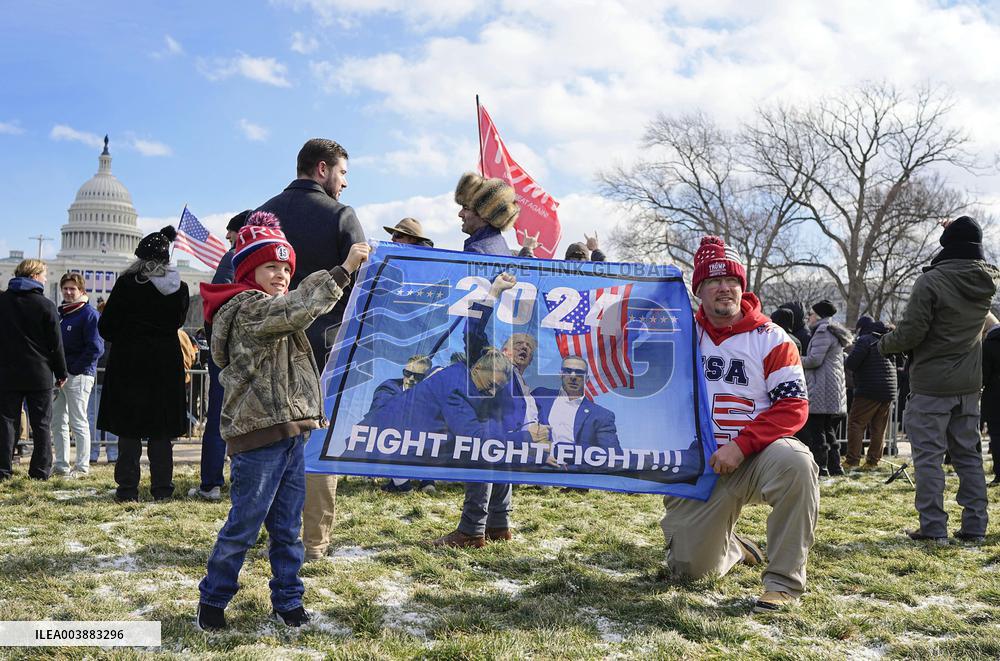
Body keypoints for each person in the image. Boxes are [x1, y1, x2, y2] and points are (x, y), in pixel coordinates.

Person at [196, 211, 371, 630]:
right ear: (248, 271)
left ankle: (288, 599)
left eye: (286, 267)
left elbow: (293, 311)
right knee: (244, 524)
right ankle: (213, 601)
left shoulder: (273, 309)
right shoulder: (246, 311)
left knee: (288, 527)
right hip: (258, 438)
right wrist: (343, 271)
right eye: (270, 266)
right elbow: (298, 307)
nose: (280, 274)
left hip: (292, 433)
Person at [660, 235, 816, 614]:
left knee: (798, 462)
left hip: (756, 457)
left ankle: (782, 583)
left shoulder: (771, 337)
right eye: (713, 281)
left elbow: (793, 406)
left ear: (742, 286)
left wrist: (742, 445)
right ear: (698, 289)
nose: (724, 288)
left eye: (731, 280)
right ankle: (734, 547)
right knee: (690, 573)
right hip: (700, 465)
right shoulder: (678, 335)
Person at [257, 138, 366, 561]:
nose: (344, 185)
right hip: (324, 352)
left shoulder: (261, 215)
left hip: (268, 350)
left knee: (269, 445)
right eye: (342, 174)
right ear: (322, 169)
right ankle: (313, 543)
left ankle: (268, 534)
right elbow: (363, 289)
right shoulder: (341, 216)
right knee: (317, 450)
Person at [879, 216, 999, 544]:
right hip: (969, 384)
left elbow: (912, 333)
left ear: (949, 243)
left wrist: (884, 343)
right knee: (969, 457)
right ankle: (975, 526)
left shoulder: (931, 282)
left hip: (931, 385)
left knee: (929, 459)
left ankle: (933, 528)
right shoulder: (986, 282)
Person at [431, 173, 526, 548]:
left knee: (480, 445)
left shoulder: (478, 254)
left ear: (484, 215)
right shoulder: (506, 251)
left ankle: (472, 530)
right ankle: (499, 524)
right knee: (498, 441)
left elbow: (468, 316)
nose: (460, 215)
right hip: (503, 360)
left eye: (467, 208)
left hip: (479, 358)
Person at [98, 226, 190, 502]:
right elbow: (177, 323)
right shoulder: (180, 288)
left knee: (129, 431)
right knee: (161, 433)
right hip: (165, 365)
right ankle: (162, 489)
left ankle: (127, 490)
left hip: (131, 364)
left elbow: (107, 326)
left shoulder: (127, 284)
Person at [191, 210, 250, 501]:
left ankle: (211, 482)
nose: (227, 236)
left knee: (218, 418)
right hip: (253, 352)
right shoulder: (266, 260)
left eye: (232, 230)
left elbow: (215, 302)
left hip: (226, 354)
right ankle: (242, 480)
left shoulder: (233, 257)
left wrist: (216, 339)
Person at [0, 259, 67, 480]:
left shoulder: (2, 301)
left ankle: (3, 470)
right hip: (39, 373)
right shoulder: (45, 305)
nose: (46, 279)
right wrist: (61, 372)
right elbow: (55, 344)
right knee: (41, 425)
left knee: (6, 423)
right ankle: (39, 471)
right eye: (44, 274)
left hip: (7, 372)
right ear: (35, 276)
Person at [52, 272, 103, 477]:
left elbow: (95, 348)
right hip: (61, 375)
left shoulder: (89, 314)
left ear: (82, 291)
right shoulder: (62, 314)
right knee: (58, 421)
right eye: (65, 288)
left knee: (78, 421)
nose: (68, 292)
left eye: (72, 288)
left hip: (79, 375)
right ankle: (62, 464)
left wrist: (73, 369)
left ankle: (82, 467)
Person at [799, 300, 852, 476]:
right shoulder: (832, 331)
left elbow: (814, 360)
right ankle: (835, 466)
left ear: (819, 316)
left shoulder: (822, 332)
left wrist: (795, 358)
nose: (809, 317)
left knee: (818, 430)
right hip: (831, 388)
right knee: (829, 429)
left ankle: (821, 466)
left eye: (812, 314)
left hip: (821, 388)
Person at [370, 355, 437, 494]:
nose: (411, 379)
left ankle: (427, 480)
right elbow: (381, 416)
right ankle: (402, 484)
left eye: (418, 376)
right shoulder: (388, 388)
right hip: (390, 438)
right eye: (407, 373)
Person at [532, 356, 621, 457]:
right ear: (560, 374)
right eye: (568, 371)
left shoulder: (601, 415)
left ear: (586, 379)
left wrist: (558, 450)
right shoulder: (540, 396)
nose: (573, 376)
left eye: (579, 372)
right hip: (535, 467)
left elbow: (613, 455)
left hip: (574, 470)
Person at [844, 316, 897, 469]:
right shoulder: (886, 338)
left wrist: (847, 359)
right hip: (888, 389)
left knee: (856, 423)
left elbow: (852, 363)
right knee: (879, 427)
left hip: (869, 388)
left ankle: (852, 460)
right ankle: (873, 461)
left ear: (861, 328)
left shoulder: (865, 340)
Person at [456, 172, 519, 255]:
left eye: (466, 208)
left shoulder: (477, 251)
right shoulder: (499, 243)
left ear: (486, 214)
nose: (460, 214)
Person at [982, 313, 1000, 486]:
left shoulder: (989, 344)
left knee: (996, 434)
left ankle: (999, 473)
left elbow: (984, 375)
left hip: (995, 396)